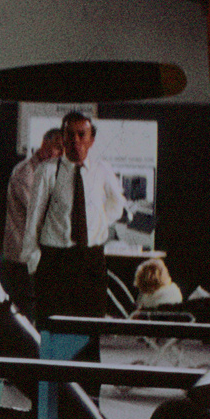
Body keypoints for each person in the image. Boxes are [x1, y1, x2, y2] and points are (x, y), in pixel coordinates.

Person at [23, 111, 127, 319]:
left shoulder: (102, 170)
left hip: (91, 260)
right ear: (62, 138)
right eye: (70, 134)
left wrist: (96, 223)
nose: (76, 140)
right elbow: (34, 217)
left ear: (91, 140)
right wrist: (33, 261)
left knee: (90, 325)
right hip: (55, 260)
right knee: (53, 326)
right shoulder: (47, 171)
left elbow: (118, 204)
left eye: (82, 135)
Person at [0, 127, 64, 314]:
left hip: (34, 257)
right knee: (25, 312)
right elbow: (39, 213)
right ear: (44, 144)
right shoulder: (25, 173)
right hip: (21, 258)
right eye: (58, 148)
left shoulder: (46, 172)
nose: (60, 154)